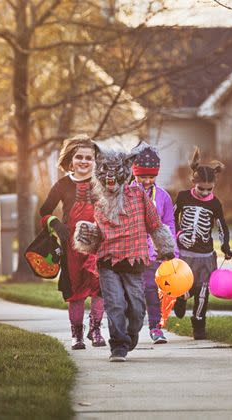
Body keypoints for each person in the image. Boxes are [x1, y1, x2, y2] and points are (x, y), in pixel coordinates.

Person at [72, 144, 176, 362]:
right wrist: (87, 235)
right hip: (108, 261)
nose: (110, 181)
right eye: (105, 175)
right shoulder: (98, 199)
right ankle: (118, 346)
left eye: (115, 175)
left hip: (135, 260)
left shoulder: (138, 195)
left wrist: (166, 249)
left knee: (137, 310)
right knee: (115, 304)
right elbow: (99, 232)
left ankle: (130, 335)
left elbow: (155, 224)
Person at [39, 134, 105, 350]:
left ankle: (95, 330)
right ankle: (77, 334)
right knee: (74, 292)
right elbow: (44, 211)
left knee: (100, 289)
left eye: (89, 158)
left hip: (98, 245)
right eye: (79, 157)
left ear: (95, 160)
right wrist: (55, 223)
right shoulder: (62, 185)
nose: (84, 162)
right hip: (71, 247)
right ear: (71, 159)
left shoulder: (101, 182)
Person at [173, 148, 232, 340]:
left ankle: (199, 324)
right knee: (184, 286)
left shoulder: (215, 204)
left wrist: (225, 247)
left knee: (202, 291)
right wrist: (178, 234)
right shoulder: (183, 197)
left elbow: (222, 226)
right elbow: (171, 218)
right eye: (201, 189)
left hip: (205, 256)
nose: (205, 192)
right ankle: (180, 299)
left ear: (214, 186)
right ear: (193, 182)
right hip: (184, 253)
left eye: (209, 189)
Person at [131, 144, 178, 344]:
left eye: (151, 176)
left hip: (154, 255)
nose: (147, 181)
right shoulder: (127, 193)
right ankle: (131, 329)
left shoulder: (163, 196)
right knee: (133, 296)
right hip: (132, 253)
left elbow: (169, 224)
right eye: (142, 176)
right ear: (134, 173)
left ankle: (155, 328)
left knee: (152, 292)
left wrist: (171, 250)